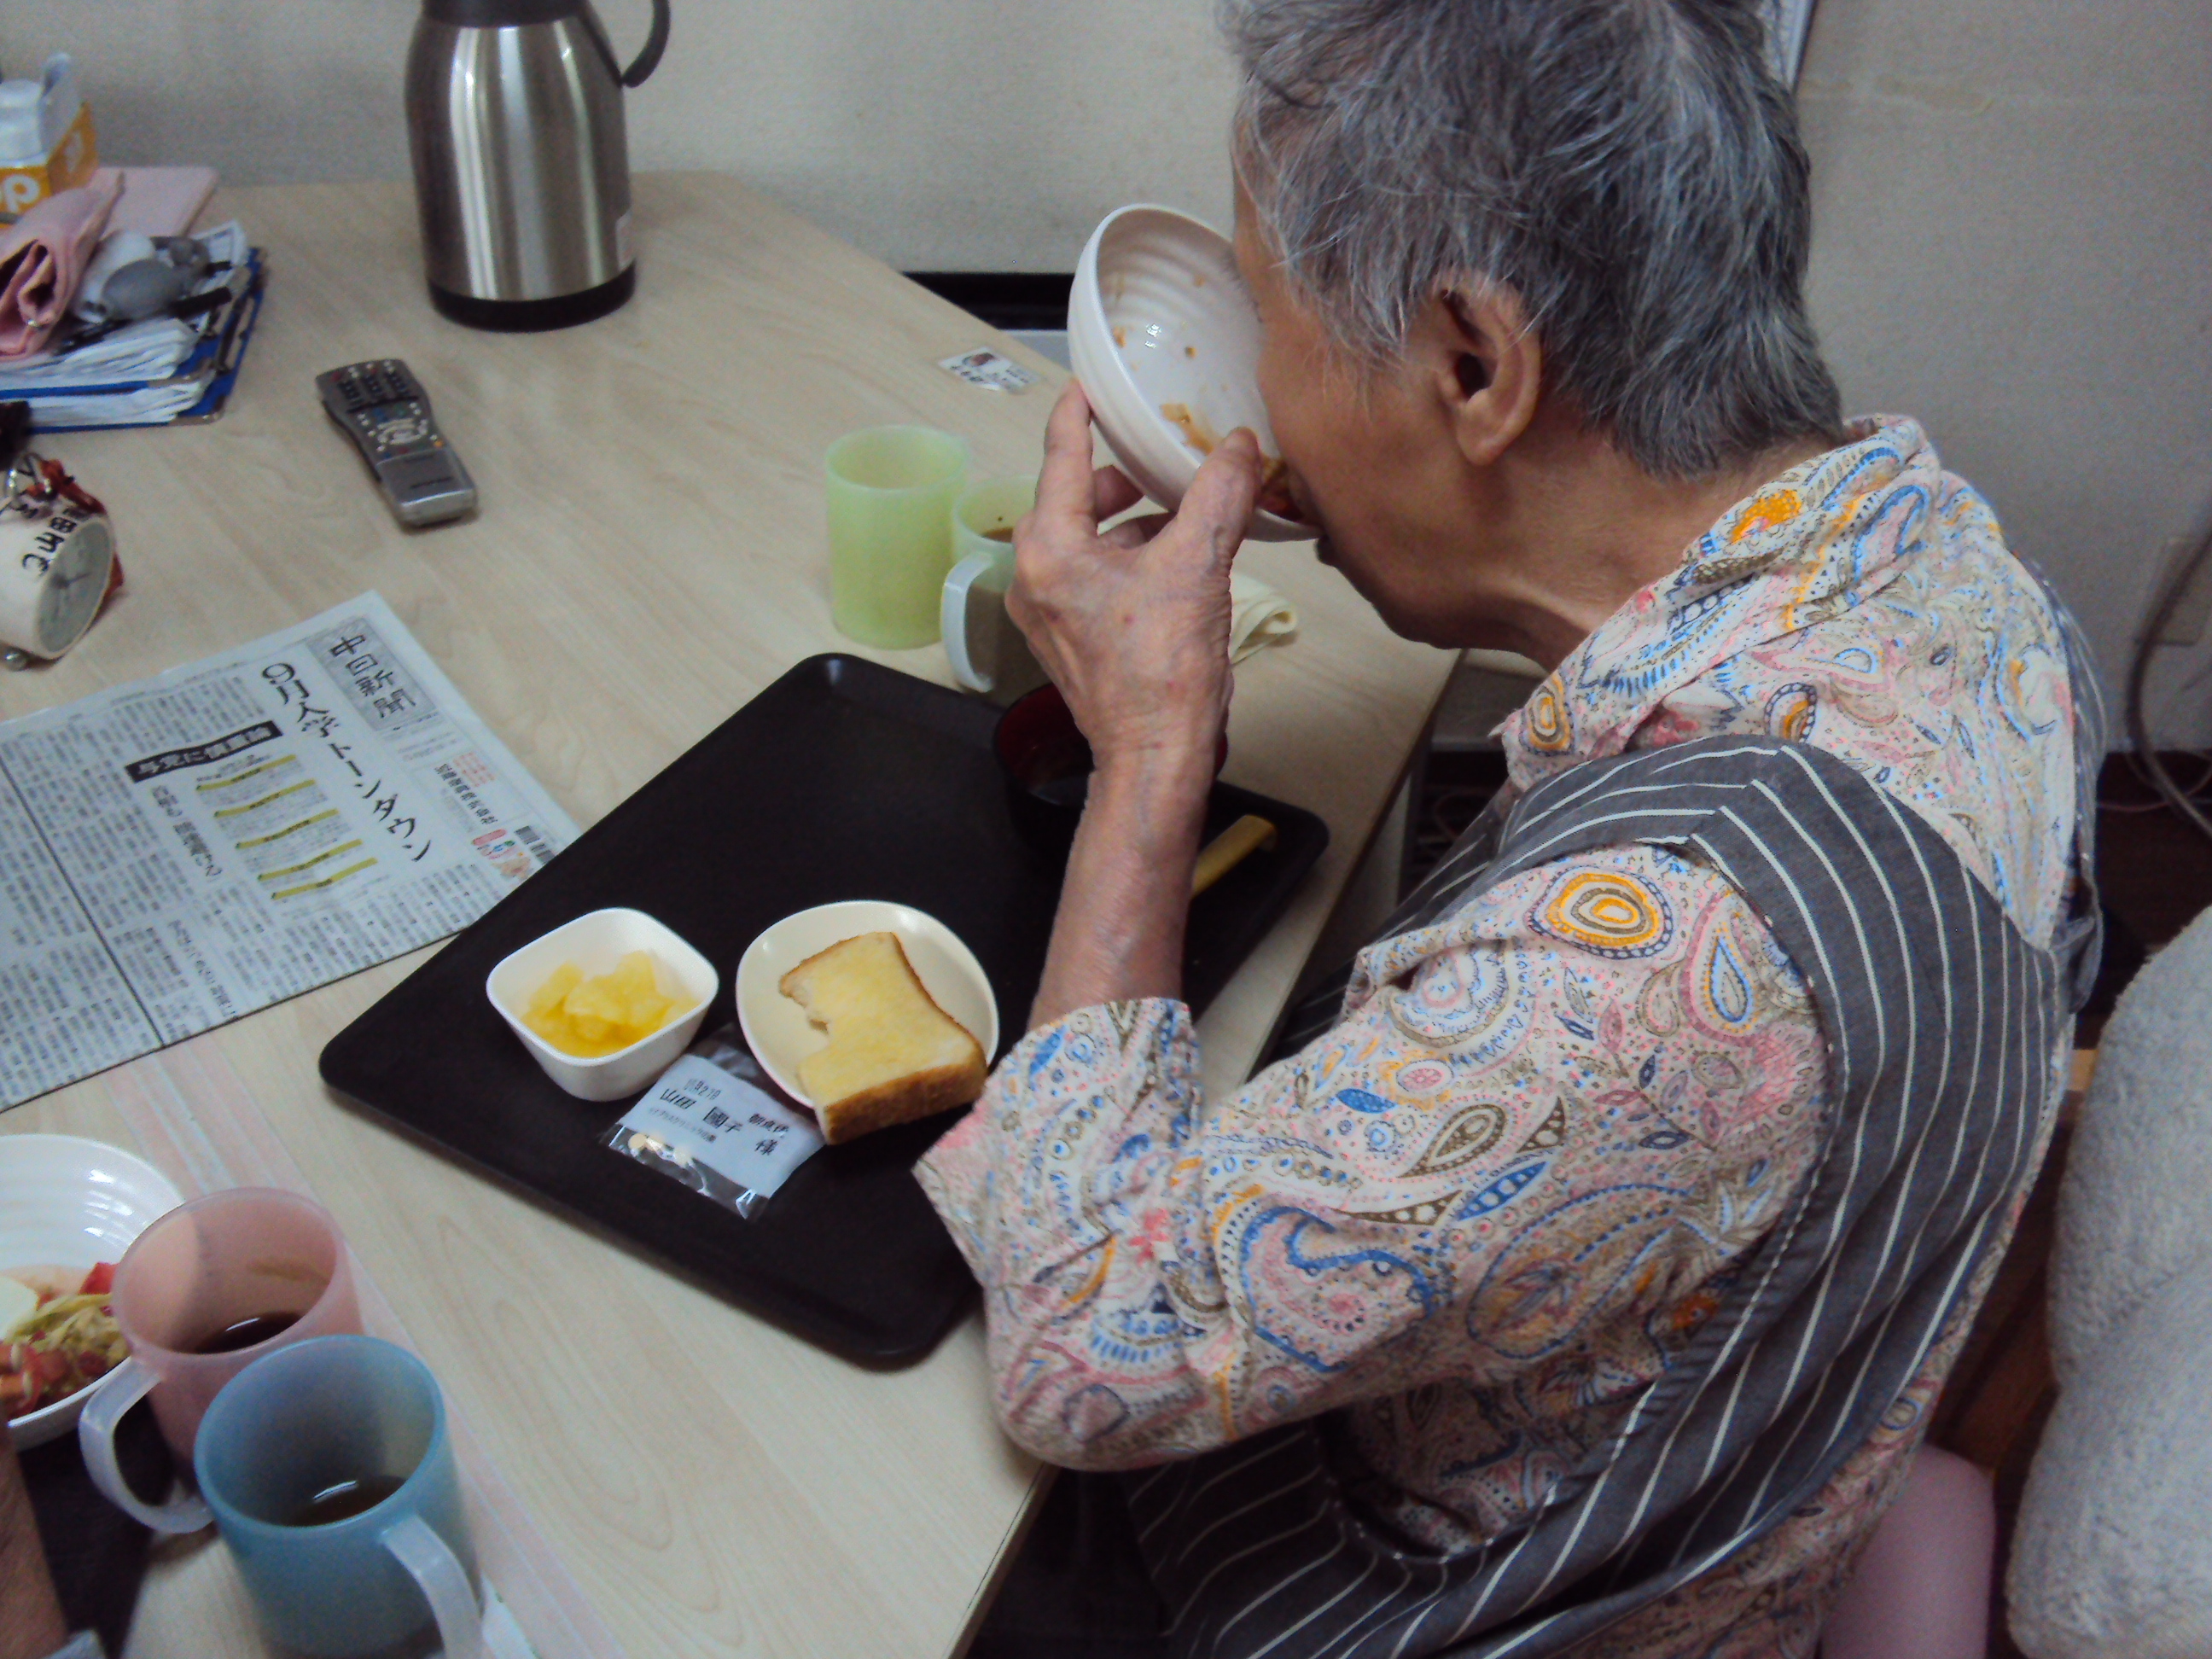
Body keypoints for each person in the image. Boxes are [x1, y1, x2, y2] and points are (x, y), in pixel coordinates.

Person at [916, 1, 2098, 1656]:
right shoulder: (1957, 570)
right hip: (1746, 1390)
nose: (1255, 403)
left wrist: (1149, 751)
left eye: (1270, 321)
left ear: (1474, 364)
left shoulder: (1642, 983)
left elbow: (1086, 1351)